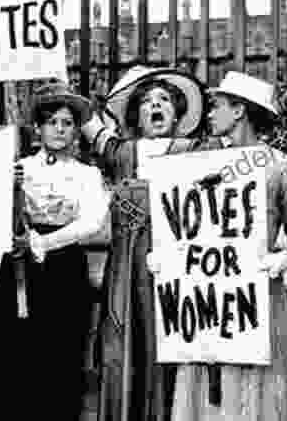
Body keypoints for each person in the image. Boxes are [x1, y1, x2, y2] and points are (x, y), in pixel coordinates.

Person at [147, 71, 287, 421]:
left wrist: (281, 260)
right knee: (205, 391)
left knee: (254, 391)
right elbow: (188, 229)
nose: (208, 114)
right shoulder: (200, 166)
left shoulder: (279, 167)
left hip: (257, 298)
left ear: (239, 111)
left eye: (216, 106)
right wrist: (167, 258)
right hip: (209, 300)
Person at [80, 65, 214, 421]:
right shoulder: (123, 152)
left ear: (178, 112)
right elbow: (83, 116)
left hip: (179, 264)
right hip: (127, 267)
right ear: (136, 115)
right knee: (124, 342)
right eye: (147, 101)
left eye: (165, 100)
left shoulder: (196, 148)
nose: (156, 106)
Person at [0, 78, 110, 421]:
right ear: (38, 127)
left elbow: (92, 222)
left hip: (64, 266)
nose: (60, 129)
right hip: (19, 266)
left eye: (67, 123)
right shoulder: (19, 167)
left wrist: (42, 242)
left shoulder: (87, 175)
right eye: (52, 122)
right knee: (14, 355)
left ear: (76, 131)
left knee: (60, 355)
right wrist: (7, 191)